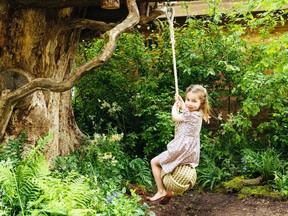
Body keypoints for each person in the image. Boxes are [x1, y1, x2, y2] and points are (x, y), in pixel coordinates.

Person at [148, 84, 210, 205]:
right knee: (173, 166)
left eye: (194, 101)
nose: (190, 103)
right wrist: (182, 103)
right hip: (190, 151)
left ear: (201, 103)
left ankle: (161, 191)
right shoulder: (199, 113)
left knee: (154, 162)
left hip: (180, 149)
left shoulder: (191, 115)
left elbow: (175, 117)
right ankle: (169, 191)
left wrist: (174, 107)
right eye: (188, 100)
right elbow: (187, 112)